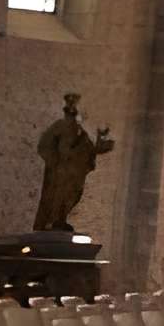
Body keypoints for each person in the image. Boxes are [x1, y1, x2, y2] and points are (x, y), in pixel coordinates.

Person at [33, 91, 114, 233]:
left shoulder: (80, 132)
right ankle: (51, 221)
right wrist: (55, 162)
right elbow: (44, 146)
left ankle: (61, 220)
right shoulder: (59, 127)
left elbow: (88, 149)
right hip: (61, 172)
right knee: (56, 197)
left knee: (72, 196)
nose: (72, 116)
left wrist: (101, 144)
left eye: (74, 113)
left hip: (75, 173)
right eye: (70, 112)